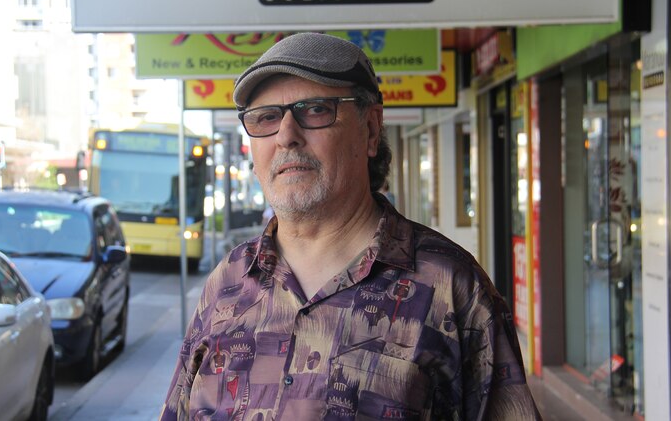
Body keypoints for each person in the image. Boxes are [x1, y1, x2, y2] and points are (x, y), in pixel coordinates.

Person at [161, 33, 540, 420]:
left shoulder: (451, 287)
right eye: (267, 117)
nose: (286, 136)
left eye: (314, 110)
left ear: (371, 130)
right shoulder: (228, 282)